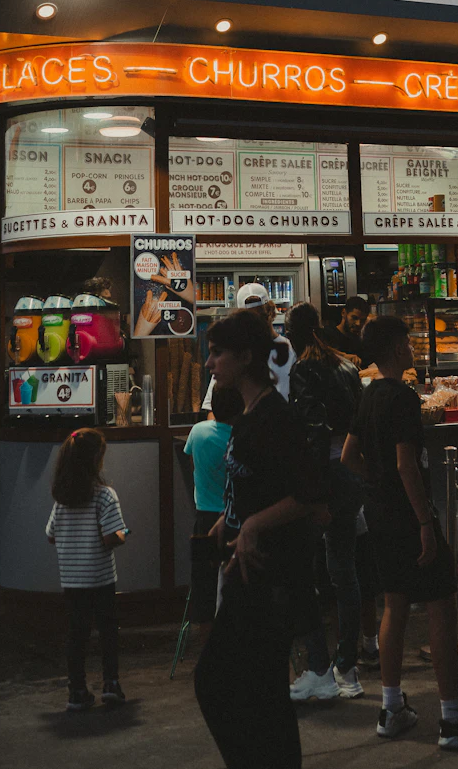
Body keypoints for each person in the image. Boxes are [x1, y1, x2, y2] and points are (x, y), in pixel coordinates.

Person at [342, 314, 458, 751]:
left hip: (377, 512)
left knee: (393, 604)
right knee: (440, 605)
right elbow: (406, 465)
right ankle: (452, 717)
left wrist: (375, 484)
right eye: (407, 343)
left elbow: (348, 457)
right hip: (408, 515)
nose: (412, 348)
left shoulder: (369, 394)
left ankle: (391, 709)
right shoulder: (403, 398)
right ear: (396, 349)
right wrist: (426, 523)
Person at [194, 310, 324, 769]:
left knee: (222, 683)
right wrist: (229, 521)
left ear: (245, 356)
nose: (209, 363)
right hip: (249, 574)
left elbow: (310, 496)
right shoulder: (249, 414)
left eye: (217, 353)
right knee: (255, 688)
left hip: (271, 577)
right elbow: (254, 484)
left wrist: (252, 526)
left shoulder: (274, 416)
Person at [285, 301, 365, 701]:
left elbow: (313, 433)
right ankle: (347, 665)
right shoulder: (346, 366)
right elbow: (359, 423)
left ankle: (319, 668)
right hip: (351, 473)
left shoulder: (304, 369)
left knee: (301, 572)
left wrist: (313, 493)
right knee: (344, 570)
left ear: (293, 334)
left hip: (323, 479)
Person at [45, 428, 129, 711]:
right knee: (107, 630)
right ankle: (111, 684)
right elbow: (110, 537)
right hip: (100, 576)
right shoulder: (105, 496)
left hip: (72, 578)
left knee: (76, 634)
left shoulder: (63, 499)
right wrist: (122, 535)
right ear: (95, 460)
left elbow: (51, 535)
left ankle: (77, 690)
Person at [185, 384, 244, 638]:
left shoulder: (197, 432)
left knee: (205, 587)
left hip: (203, 518)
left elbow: (193, 465)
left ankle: (209, 647)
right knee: (236, 584)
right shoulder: (239, 438)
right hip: (232, 519)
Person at [323, 295, 370, 361]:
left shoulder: (360, 342)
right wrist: (344, 356)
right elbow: (323, 350)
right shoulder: (328, 334)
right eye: (354, 318)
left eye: (362, 320)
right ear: (344, 313)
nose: (358, 324)